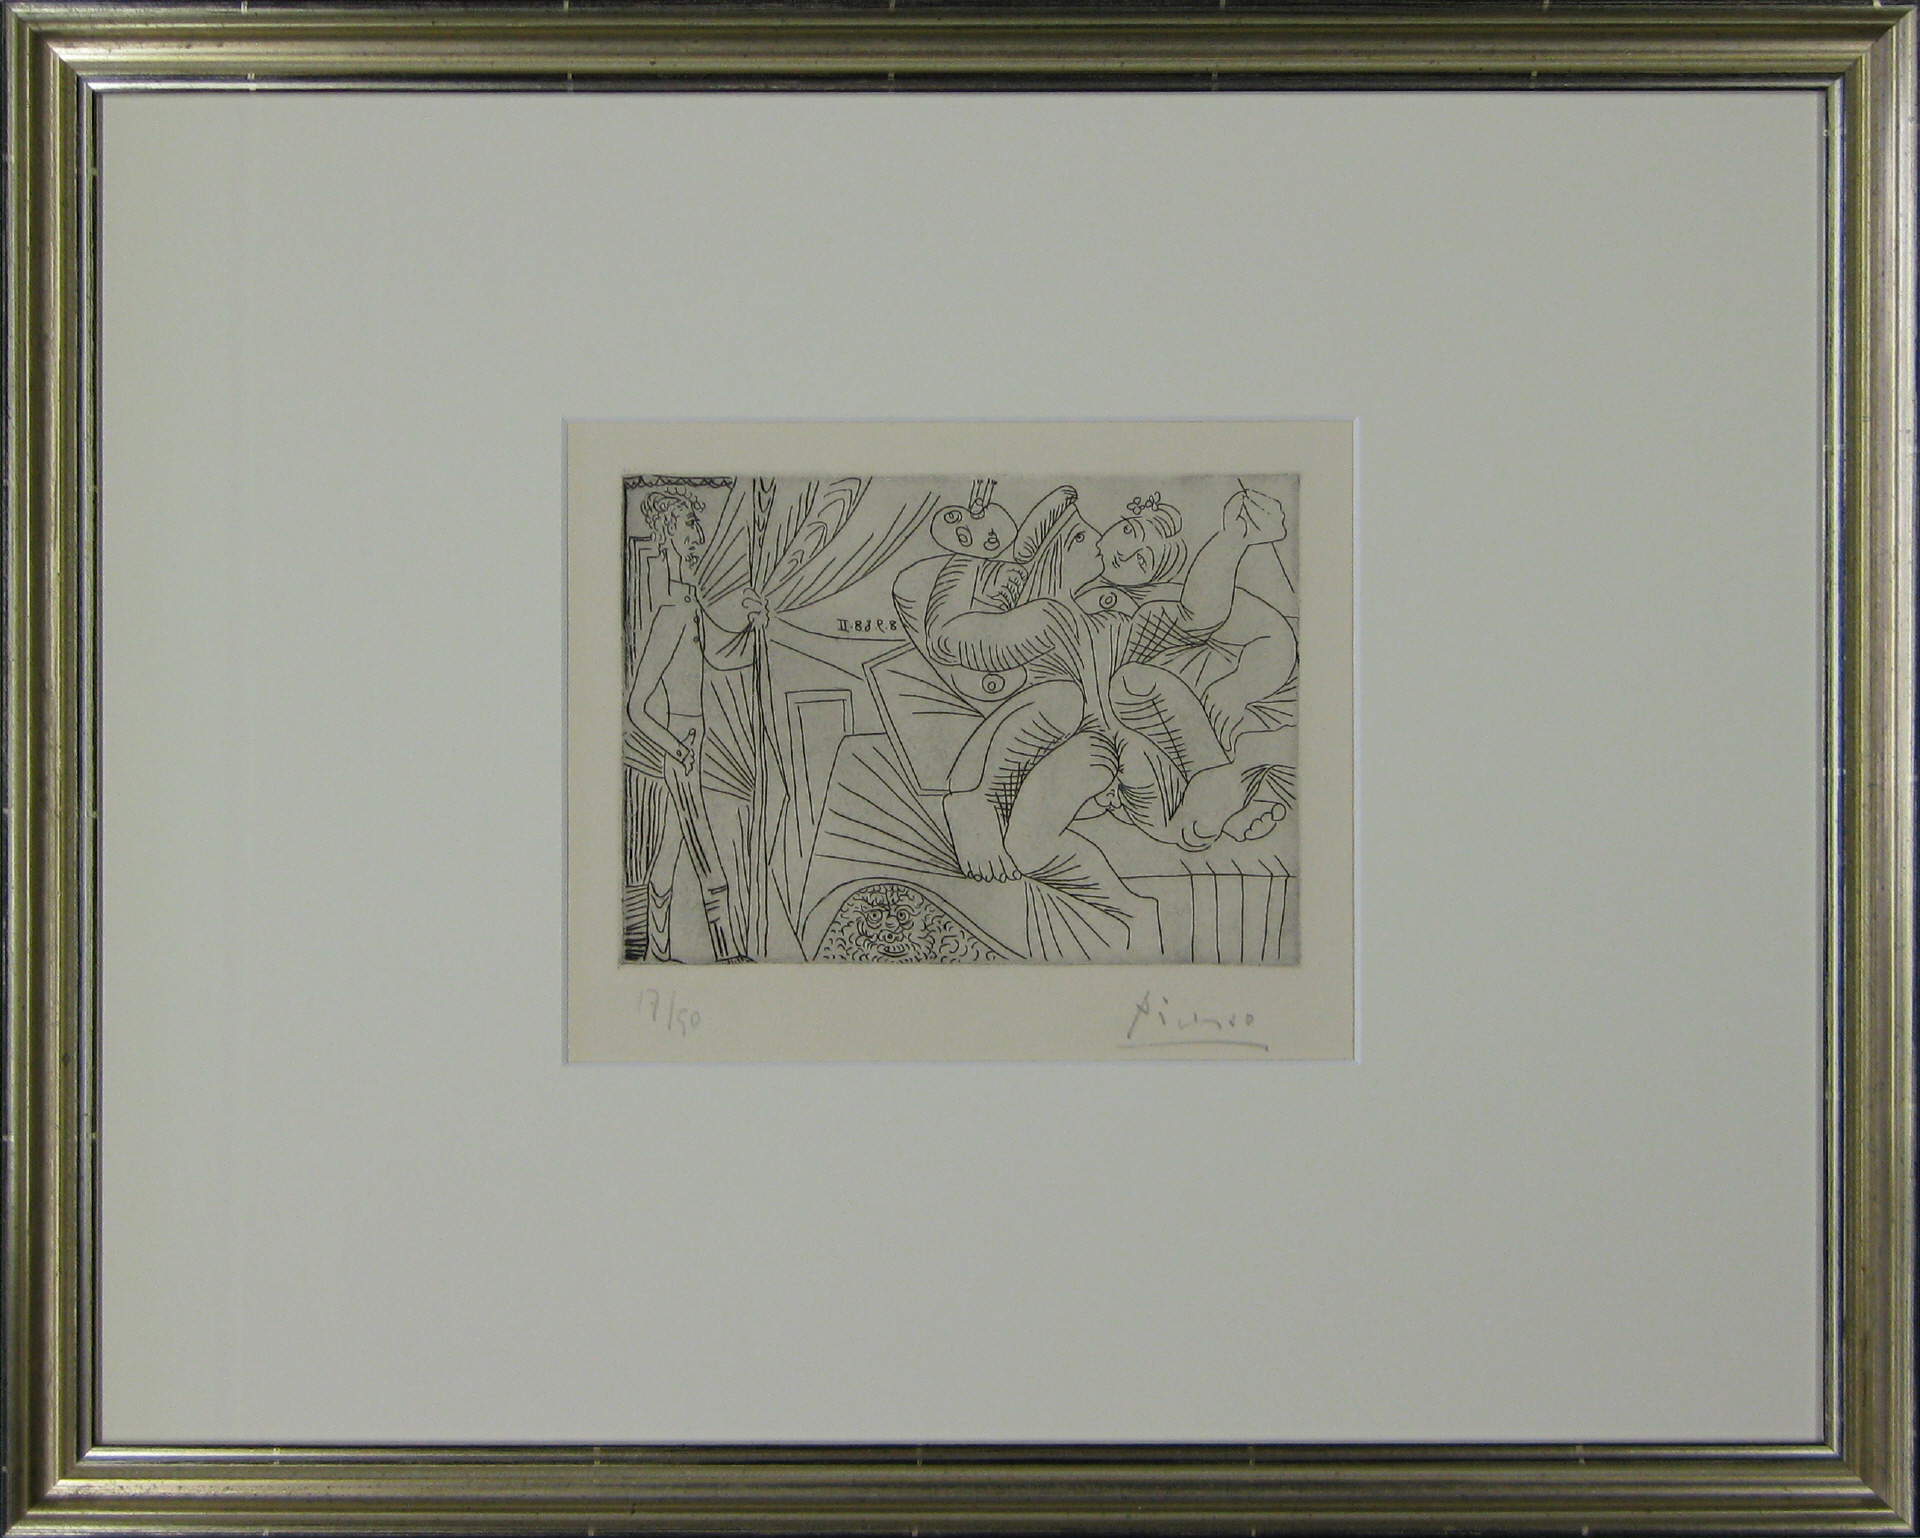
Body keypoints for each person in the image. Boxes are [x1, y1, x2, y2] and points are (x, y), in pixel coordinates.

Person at [624, 485, 766, 962]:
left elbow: (723, 655)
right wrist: (677, 748)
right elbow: (636, 706)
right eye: (689, 526)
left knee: (669, 850)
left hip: (692, 741)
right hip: (681, 746)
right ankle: (727, 954)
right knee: (707, 856)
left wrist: (752, 624)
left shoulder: (690, 606)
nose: (698, 536)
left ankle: (655, 952)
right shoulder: (672, 613)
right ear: (669, 534)